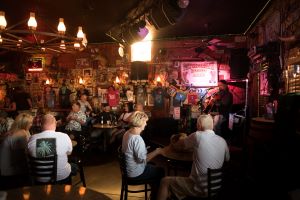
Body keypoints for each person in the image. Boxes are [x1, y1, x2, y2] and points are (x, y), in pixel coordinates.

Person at [157, 114, 230, 200]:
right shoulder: (223, 141)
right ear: (212, 125)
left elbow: (178, 145)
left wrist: (173, 138)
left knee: (165, 181)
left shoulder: (198, 135)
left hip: (199, 188)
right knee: (188, 177)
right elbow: (227, 159)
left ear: (199, 125)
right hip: (216, 187)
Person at [122, 111, 165, 200]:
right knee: (160, 171)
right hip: (135, 173)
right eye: (145, 121)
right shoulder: (137, 139)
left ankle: (154, 192)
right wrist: (157, 152)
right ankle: (155, 197)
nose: (146, 124)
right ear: (140, 122)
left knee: (153, 168)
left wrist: (144, 149)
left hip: (127, 170)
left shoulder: (127, 133)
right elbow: (143, 160)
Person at [28, 114, 74, 183]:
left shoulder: (32, 138)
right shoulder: (64, 136)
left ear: (41, 124)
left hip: (39, 179)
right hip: (61, 179)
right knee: (73, 166)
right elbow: (69, 153)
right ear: (55, 123)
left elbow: (29, 154)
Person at [0, 113, 33, 188]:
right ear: (25, 124)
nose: (32, 124)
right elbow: (24, 155)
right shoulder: (21, 134)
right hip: (10, 173)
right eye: (30, 123)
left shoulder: (14, 131)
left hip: (4, 170)